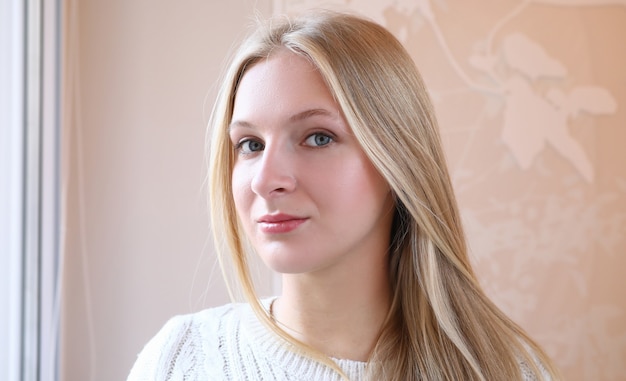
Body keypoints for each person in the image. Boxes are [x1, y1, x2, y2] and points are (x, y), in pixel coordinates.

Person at [128, 10, 560, 381]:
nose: (266, 180)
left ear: (398, 159)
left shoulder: (505, 369)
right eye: (250, 145)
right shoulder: (178, 361)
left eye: (318, 137)